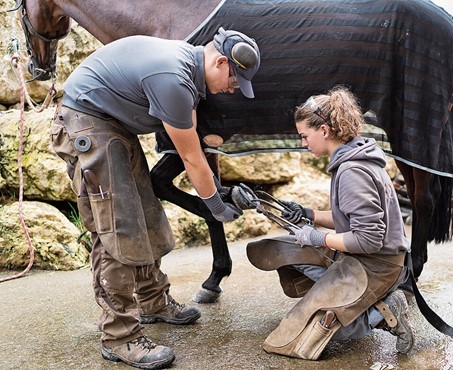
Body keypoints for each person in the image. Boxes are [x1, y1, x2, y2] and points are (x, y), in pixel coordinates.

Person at [50, 28, 261, 369]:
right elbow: (192, 159)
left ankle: (152, 301)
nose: (233, 88)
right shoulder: (173, 78)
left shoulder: (189, 73)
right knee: (118, 226)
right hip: (87, 124)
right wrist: (217, 208)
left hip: (113, 126)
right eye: (235, 80)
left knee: (147, 214)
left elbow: (189, 136)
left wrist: (216, 197)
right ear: (221, 61)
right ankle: (120, 336)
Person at [246, 86, 414, 360]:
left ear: (324, 131)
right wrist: (308, 213)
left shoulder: (351, 172)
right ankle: (335, 295)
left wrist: (317, 238)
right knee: (284, 247)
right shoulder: (352, 158)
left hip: (377, 266)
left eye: (304, 136)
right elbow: (348, 219)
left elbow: (368, 239)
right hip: (359, 256)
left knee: (295, 341)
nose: (303, 143)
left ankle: (381, 313)